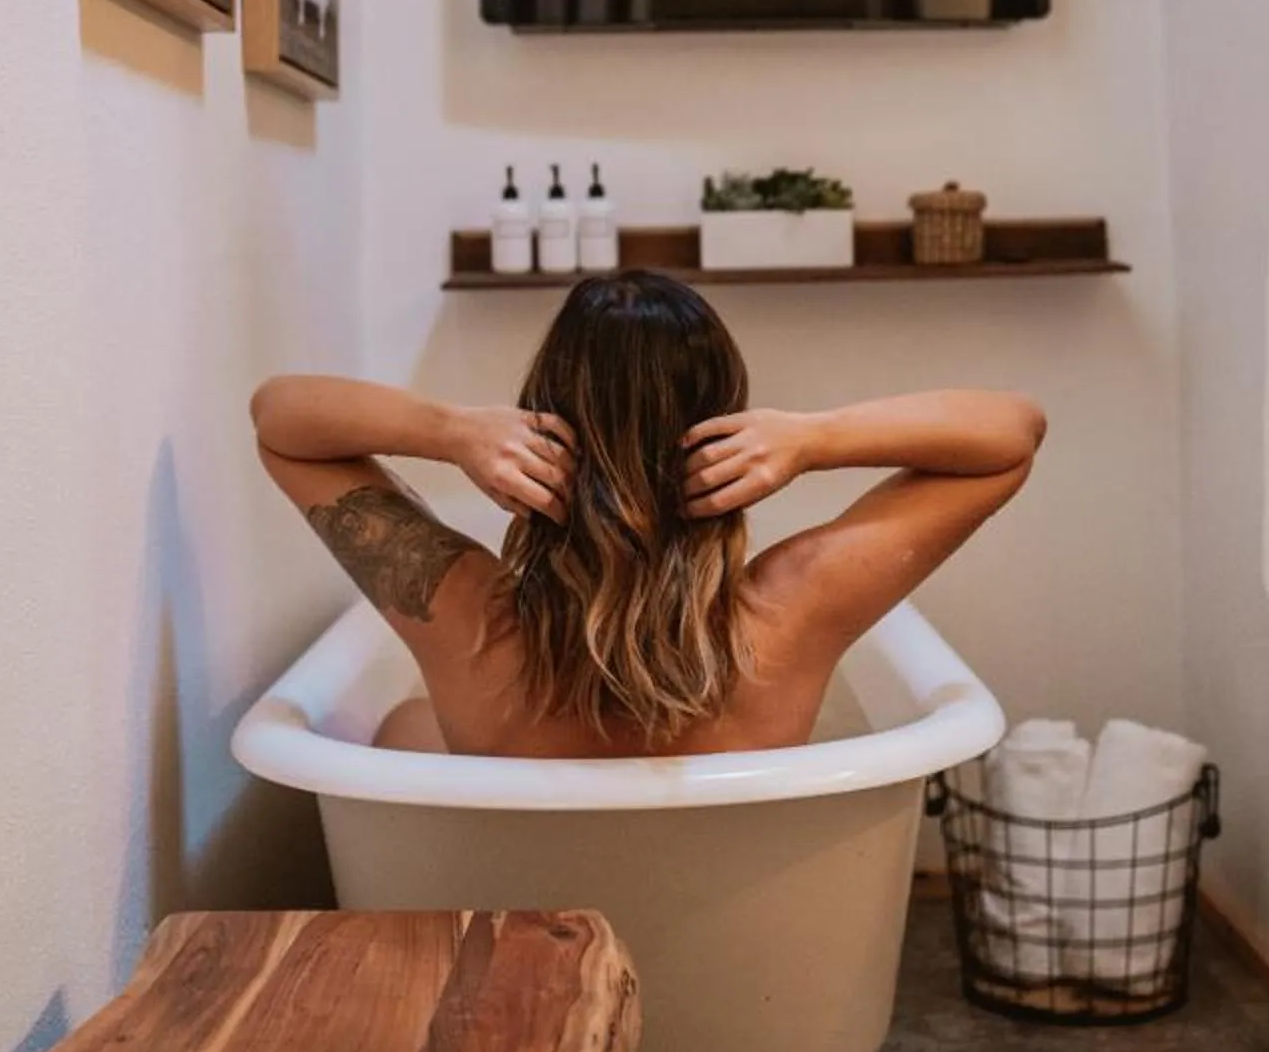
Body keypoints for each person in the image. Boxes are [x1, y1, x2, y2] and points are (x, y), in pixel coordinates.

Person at [248, 269, 1044, 757]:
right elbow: (1012, 432)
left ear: (542, 421)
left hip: (520, 943)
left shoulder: (463, 616)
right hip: (737, 968)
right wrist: (812, 438)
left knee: (405, 725)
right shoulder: (797, 608)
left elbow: (281, 421)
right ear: (724, 427)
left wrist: (450, 430)